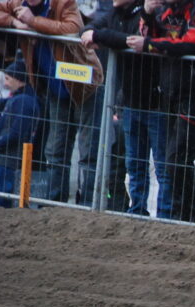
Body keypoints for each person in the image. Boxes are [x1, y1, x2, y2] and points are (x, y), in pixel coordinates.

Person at [0, 0, 104, 205]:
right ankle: (55, 203)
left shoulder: (62, 3)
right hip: (55, 88)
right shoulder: (17, 4)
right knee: (55, 150)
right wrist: (14, 22)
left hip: (85, 87)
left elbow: (73, 29)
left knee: (88, 152)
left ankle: (88, 205)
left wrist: (33, 21)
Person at [130, 0, 195, 224]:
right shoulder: (167, 11)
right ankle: (185, 215)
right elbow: (144, 35)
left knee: (176, 158)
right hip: (169, 94)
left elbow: (192, 44)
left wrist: (150, 44)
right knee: (172, 162)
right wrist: (147, 13)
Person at [81, 0, 172, 217]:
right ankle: (137, 211)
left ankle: (165, 215)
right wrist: (98, 35)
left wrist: (101, 37)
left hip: (157, 103)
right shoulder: (115, 13)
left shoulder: (148, 12)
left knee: (162, 166)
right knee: (135, 164)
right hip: (131, 102)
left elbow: (135, 40)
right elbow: (87, 30)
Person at [0, 58, 40, 207]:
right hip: (6, 159)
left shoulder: (24, 101)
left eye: (8, 79)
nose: (5, 83)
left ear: (20, 80)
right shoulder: (19, 98)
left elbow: (17, 132)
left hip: (5, 160)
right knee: (1, 205)